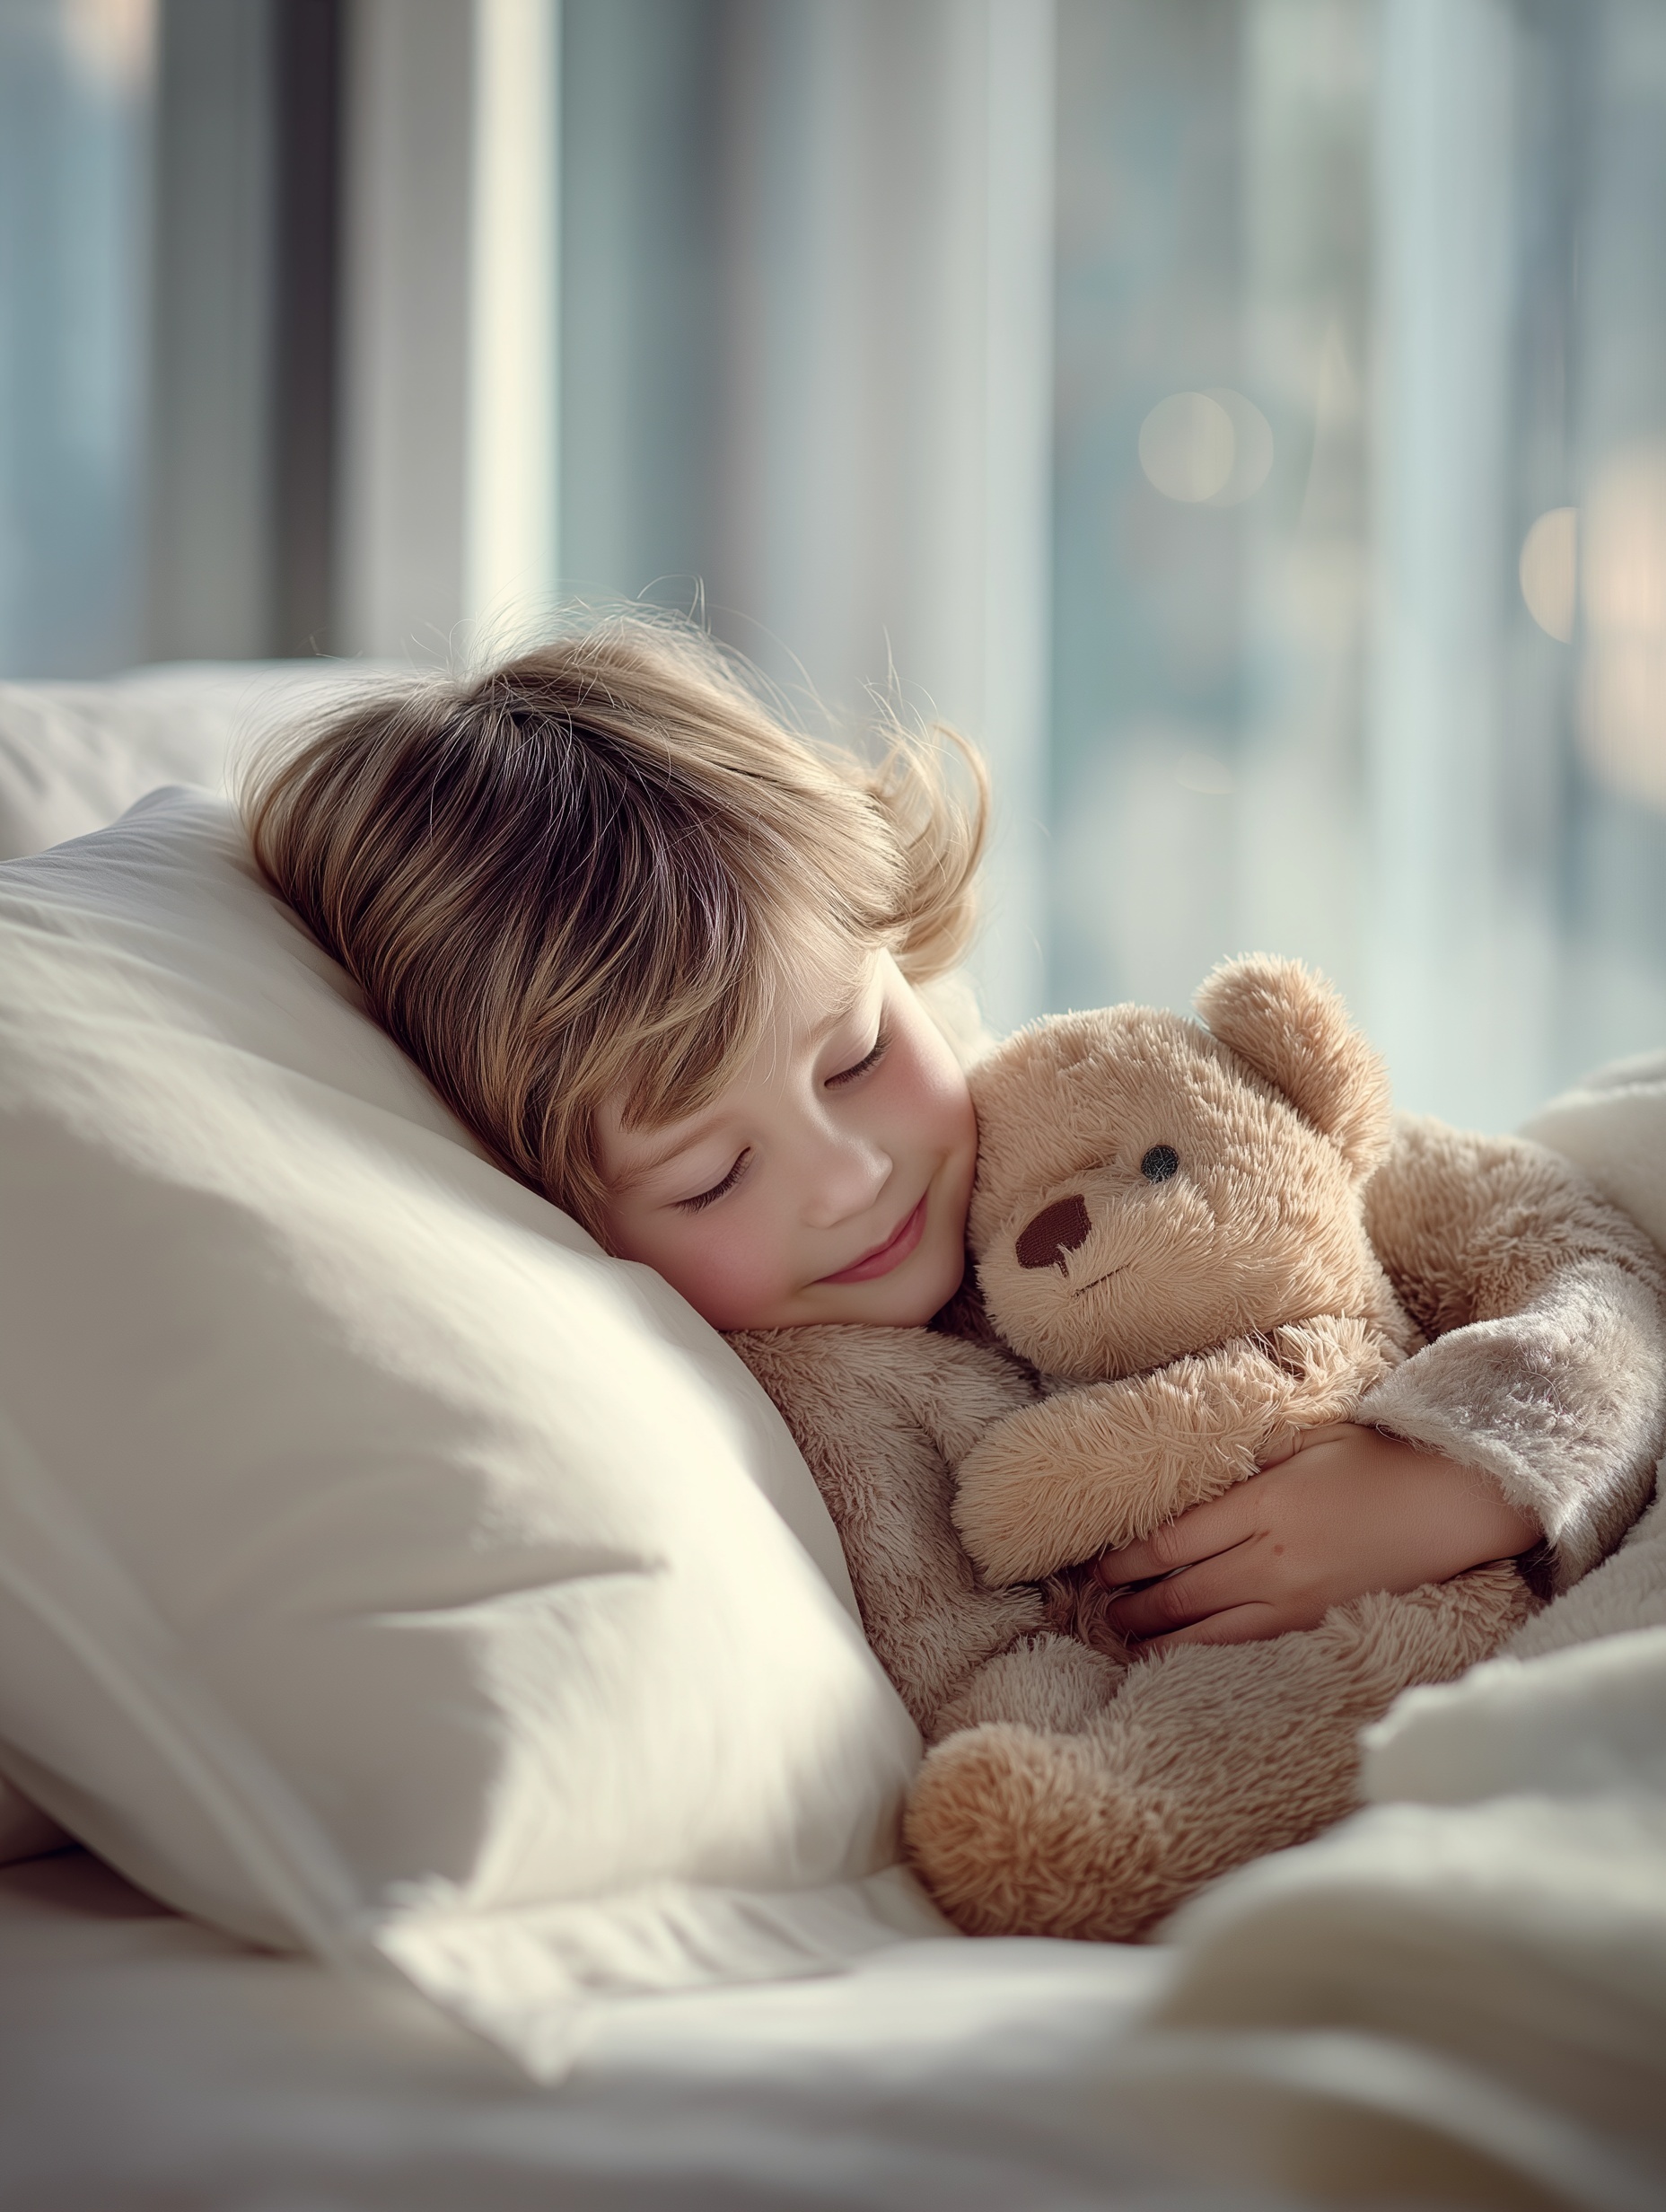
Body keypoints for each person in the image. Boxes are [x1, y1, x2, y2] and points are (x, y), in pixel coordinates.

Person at [241, 618, 1655, 1657]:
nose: (849, 1177)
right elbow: (973, 1692)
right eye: (710, 1174)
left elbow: (1593, 1278)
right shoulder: (810, 1428)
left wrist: (1460, 1479)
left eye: (856, 1053)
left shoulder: (1103, 1109)